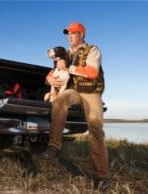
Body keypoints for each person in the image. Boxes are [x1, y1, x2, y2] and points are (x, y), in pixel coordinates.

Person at [41, 22, 109, 189]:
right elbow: (52, 73)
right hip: (74, 91)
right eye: (68, 34)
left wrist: (69, 68)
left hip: (91, 92)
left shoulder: (92, 50)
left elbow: (92, 73)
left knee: (95, 129)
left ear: (82, 35)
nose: (70, 36)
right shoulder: (65, 53)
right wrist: (50, 79)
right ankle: (54, 146)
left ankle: (101, 176)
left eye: (74, 33)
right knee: (60, 99)